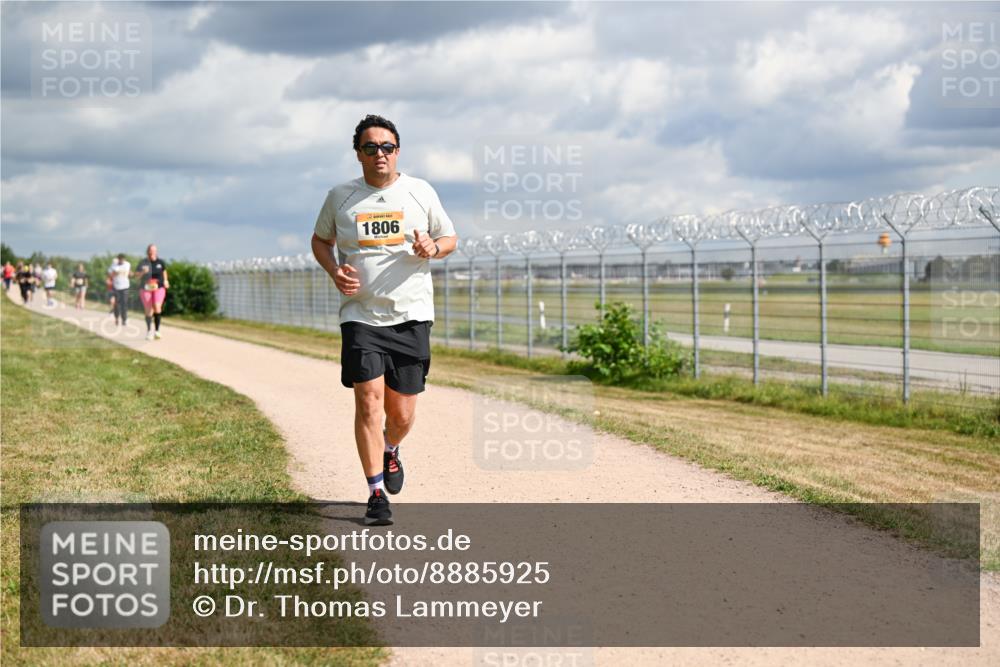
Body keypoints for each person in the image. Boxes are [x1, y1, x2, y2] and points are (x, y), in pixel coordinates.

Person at [312, 114, 458, 526]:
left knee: (402, 415)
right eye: (371, 147)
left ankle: (390, 448)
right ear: (358, 153)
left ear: (398, 151)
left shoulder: (419, 192)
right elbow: (321, 240)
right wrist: (333, 269)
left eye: (387, 147)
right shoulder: (341, 196)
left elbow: (449, 238)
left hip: (411, 315)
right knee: (368, 403)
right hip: (360, 316)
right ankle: (376, 493)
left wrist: (433, 245)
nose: (380, 154)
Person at [135, 244, 169, 340]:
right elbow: (136, 276)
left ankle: (157, 331)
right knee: (148, 310)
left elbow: (164, 272)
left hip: (159, 288)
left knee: (157, 307)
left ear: (156, 252)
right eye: (150, 251)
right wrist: (142, 272)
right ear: (147, 252)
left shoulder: (160, 262)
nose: (152, 253)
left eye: (154, 251)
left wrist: (166, 280)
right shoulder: (143, 263)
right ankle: (149, 331)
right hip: (145, 288)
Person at [107, 253, 130, 326]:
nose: (122, 261)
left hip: (125, 287)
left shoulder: (127, 264)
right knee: (117, 305)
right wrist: (114, 270)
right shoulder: (114, 265)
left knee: (124, 304)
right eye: (120, 259)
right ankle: (116, 318)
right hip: (116, 287)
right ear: (118, 259)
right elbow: (110, 274)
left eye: (123, 259)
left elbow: (128, 272)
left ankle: (124, 319)